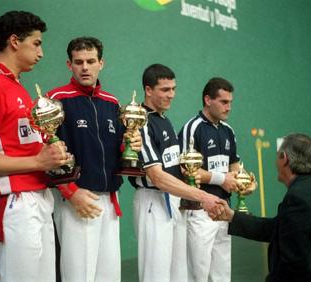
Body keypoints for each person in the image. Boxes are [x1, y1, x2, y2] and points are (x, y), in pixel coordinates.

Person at [0, 11, 71, 282]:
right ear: (14, 41)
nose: (41, 52)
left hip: (39, 199)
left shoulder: (18, 88)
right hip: (13, 205)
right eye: (36, 43)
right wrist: (38, 162)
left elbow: (24, 147)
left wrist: (53, 156)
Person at [46, 36, 142, 282]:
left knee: (108, 276)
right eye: (78, 62)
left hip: (109, 200)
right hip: (75, 200)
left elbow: (119, 148)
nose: (85, 67)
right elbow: (45, 154)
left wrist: (131, 146)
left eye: (90, 61)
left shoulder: (112, 103)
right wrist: (70, 193)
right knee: (79, 276)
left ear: (102, 63)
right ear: (69, 65)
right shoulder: (55, 101)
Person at [129, 64, 224, 282]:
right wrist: (202, 195)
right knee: (157, 274)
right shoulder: (141, 121)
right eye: (165, 89)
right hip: (152, 202)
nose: (171, 95)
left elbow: (173, 169)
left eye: (173, 89)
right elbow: (157, 177)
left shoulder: (164, 120)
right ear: (148, 90)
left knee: (178, 274)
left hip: (174, 201)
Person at [178, 77, 255, 282]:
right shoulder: (192, 128)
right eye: (223, 102)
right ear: (207, 100)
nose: (228, 107)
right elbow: (187, 171)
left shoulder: (228, 131)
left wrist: (246, 184)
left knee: (222, 274)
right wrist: (222, 179)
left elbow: (235, 168)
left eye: (230, 102)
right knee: (198, 274)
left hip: (223, 210)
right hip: (199, 209)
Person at [215, 133, 311, 282]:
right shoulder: (310, 189)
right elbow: (276, 229)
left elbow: (295, 265)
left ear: (284, 158)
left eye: (277, 155)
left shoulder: (298, 199)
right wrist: (231, 216)